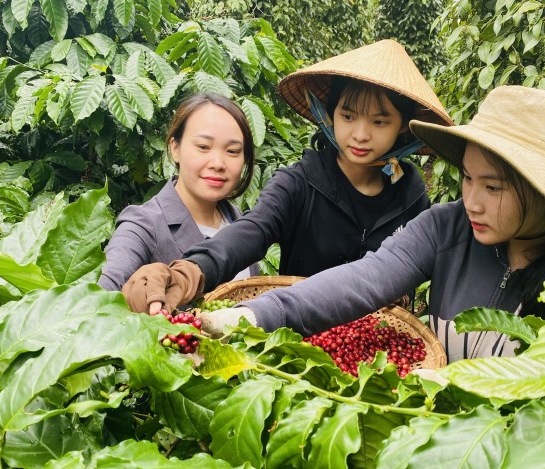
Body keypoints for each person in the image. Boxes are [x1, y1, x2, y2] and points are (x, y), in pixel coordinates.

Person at [196, 85, 545, 365]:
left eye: (493, 188)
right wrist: (254, 315)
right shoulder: (447, 227)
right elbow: (363, 279)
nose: (472, 200)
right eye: (468, 178)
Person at [121, 39, 453, 314]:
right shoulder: (298, 183)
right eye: (348, 116)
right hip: (297, 339)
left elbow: (416, 265)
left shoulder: (410, 193)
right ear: (330, 115)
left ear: (401, 130)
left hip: (377, 345)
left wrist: (403, 296)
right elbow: (251, 231)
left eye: (380, 122)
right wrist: (190, 272)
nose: (360, 135)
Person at [98, 93, 258, 292]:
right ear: (175, 148)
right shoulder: (143, 225)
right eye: (203, 147)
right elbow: (101, 292)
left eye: (232, 151)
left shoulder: (241, 223)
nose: (218, 163)